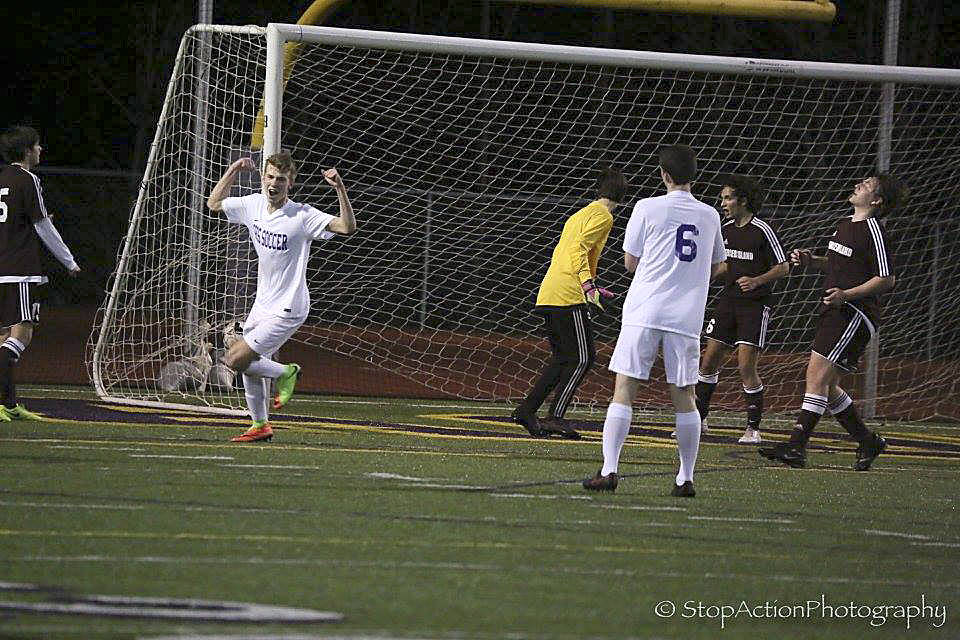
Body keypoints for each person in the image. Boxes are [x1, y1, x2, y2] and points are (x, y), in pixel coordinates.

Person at [582, 145, 725, 497]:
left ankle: (610, 469)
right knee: (685, 396)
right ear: (694, 175)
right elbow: (719, 264)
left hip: (644, 310)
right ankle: (685, 478)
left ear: (664, 174)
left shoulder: (647, 207)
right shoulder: (710, 216)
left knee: (624, 389)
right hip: (686, 316)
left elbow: (631, 262)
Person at [207, 151, 356, 442]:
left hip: (290, 307)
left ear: (291, 183)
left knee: (235, 358)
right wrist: (235, 169)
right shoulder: (252, 204)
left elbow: (347, 227)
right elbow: (213, 203)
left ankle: (285, 372)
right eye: (271, 176)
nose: (274, 183)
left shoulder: (302, 215)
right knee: (249, 365)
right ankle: (260, 425)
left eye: (282, 179)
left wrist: (339, 188)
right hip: (262, 305)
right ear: (263, 177)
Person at [760, 174, 904, 471]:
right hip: (836, 309)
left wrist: (847, 295)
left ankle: (796, 446)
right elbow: (837, 263)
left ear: (876, 201)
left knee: (816, 376)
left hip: (855, 313)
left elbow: (886, 279)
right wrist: (811, 260)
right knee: (828, 384)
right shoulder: (844, 225)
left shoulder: (873, 230)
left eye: (866, 186)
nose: (857, 185)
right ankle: (867, 441)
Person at [511, 167, 627, 440]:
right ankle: (555, 417)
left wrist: (593, 283)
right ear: (623, 194)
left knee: (563, 358)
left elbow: (569, 251)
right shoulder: (604, 216)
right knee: (584, 357)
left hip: (550, 291)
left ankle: (527, 410)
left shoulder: (580, 213)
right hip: (568, 294)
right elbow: (579, 250)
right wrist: (587, 285)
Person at [694, 174, 788, 444]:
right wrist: (704, 278)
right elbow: (726, 264)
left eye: (728, 198)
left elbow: (783, 267)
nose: (723, 203)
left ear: (743, 201)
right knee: (709, 359)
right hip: (728, 302)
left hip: (755, 306)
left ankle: (753, 429)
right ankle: (700, 419)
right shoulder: (726, 229)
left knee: (745, 365)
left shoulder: (762, 230)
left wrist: (757, 280)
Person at [0, 126, 81, 423]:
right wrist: (69, 261)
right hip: (18, 270)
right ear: (26, 151)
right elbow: (43, 225)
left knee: (4, 337)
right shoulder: (27, 179)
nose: (40, 150)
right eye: (37, 146)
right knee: (22, 333)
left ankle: (6, 405)